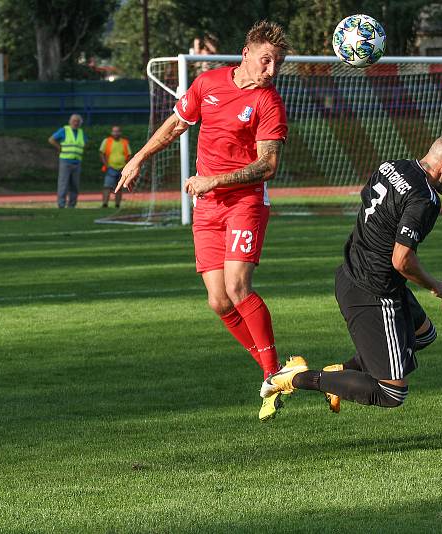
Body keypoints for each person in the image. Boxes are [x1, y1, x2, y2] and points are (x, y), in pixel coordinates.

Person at [115, 21, 291, 422]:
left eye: (278, 63)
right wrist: (140, 157)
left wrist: (215, 180)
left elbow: (268, 165)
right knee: (217, 300)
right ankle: (275, 370)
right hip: (207, 207)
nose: (272, 71)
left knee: (237, 285)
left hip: (244, 201)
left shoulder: (269, 103)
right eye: (266, 61)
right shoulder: (208, 83)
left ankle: (272, 371)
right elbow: (178, 123)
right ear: (245, 53)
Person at [260, 133, 442, 412]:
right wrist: (435, 285)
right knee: (391, 393)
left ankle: (340, 373)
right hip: (373, 293)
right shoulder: (425, 199)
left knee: (423, 335)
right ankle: (295, 378)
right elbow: (402, 260)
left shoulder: (393, 166)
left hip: (357, 272)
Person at [49, 114, 86, 208]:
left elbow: (83, 144)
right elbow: (51, 139)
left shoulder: (81, 132)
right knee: (63, 184)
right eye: (74, 121)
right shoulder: (64, 130)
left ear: (80, 123)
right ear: (70, 121)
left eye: (77, 121)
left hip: (77, 161)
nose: (76, 123)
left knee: (75, 185)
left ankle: (72, 205)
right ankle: (61, 204)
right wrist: (59, 147)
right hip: (65, 161)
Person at [98, 125, 131, 208]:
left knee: (119, 187)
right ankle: (105, 204)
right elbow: (101, 153)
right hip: (111, 168)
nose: (116, 133)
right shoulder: (107, 141)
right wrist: (106, 164)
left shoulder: (124, 142)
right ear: (111, 132)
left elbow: (129, 155)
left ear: (120, 132)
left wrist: (126, 166)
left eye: (117, 131)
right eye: (114, 131)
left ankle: (117, 204)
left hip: (122, 168)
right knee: (107, 187)